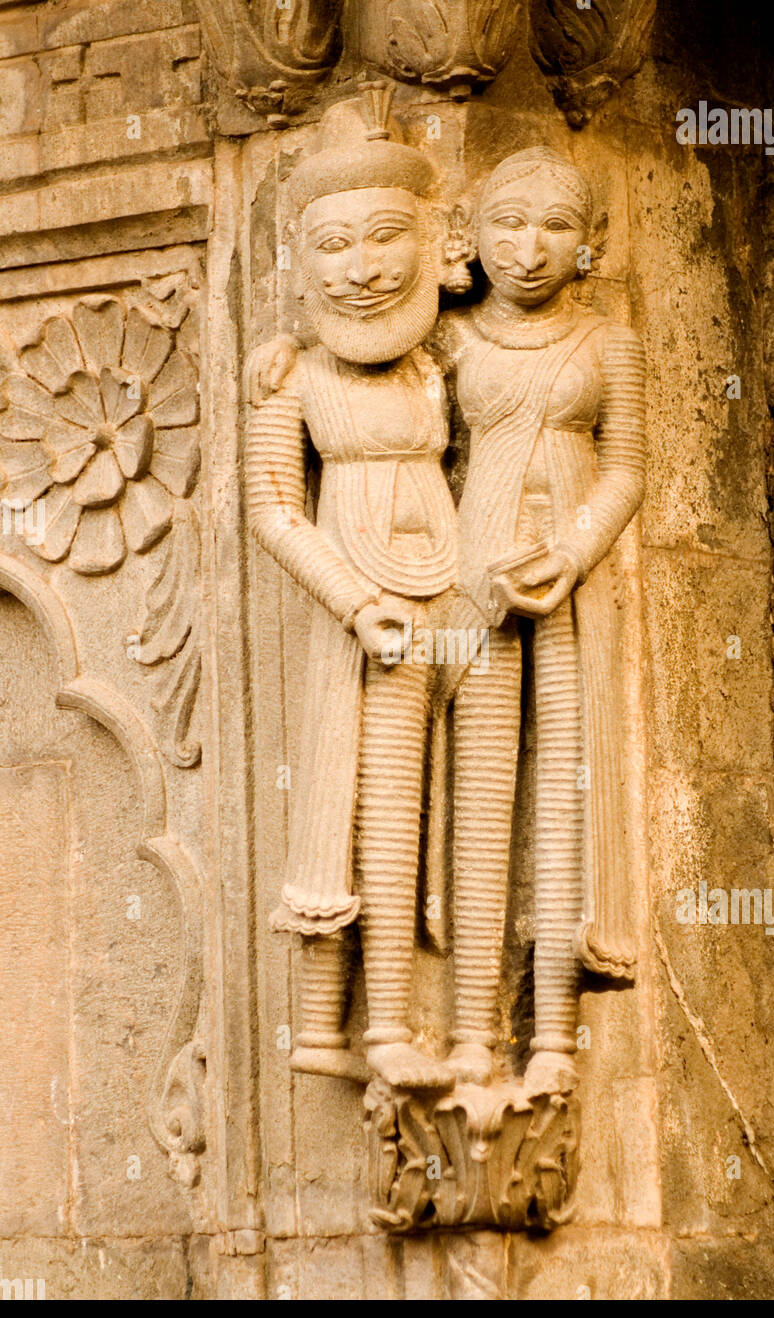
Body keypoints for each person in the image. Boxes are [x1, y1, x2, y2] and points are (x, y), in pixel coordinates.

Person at [245, 87, 465, 1090]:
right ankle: (337, 1029)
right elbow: (273, 508)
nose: (364, 270)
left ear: (430, 240)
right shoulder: (290, 375)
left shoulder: (435, 365)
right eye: (335, 246)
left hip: (438, 596)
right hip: (356, 608)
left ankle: (391, 1022)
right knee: (338, 803)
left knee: (407, 804)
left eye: (386, 239)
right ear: (302, 261)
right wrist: (350, 599)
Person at [439, 147, 647, 1095]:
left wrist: (572, 549)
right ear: (469, 240)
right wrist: (284, 357)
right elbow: (369, 393)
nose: (529, 248)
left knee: (567, 794)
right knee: (482, 802)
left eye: (556, 226)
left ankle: (555, 1037)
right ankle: (472, 1034)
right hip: (474, 568)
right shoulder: (445, 340)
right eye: (507, 225)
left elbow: (628, 467)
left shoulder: (608, 343)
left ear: (590, 245)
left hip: (571, 572)